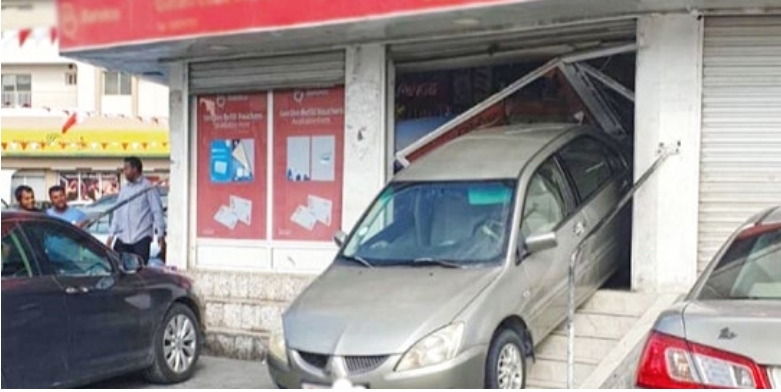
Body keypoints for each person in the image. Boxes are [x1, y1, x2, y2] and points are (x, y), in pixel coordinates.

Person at [107, 157, 166, 265]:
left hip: (141, 238)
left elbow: (157, 211)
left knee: (139, 272)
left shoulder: (148, 187)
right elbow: (117, 213)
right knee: (115, 266)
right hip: (123, 238)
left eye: (126, 168)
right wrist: (111, 235)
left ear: (135, 169)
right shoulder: (124, 189)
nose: (124, 171)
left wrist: (160, 235)